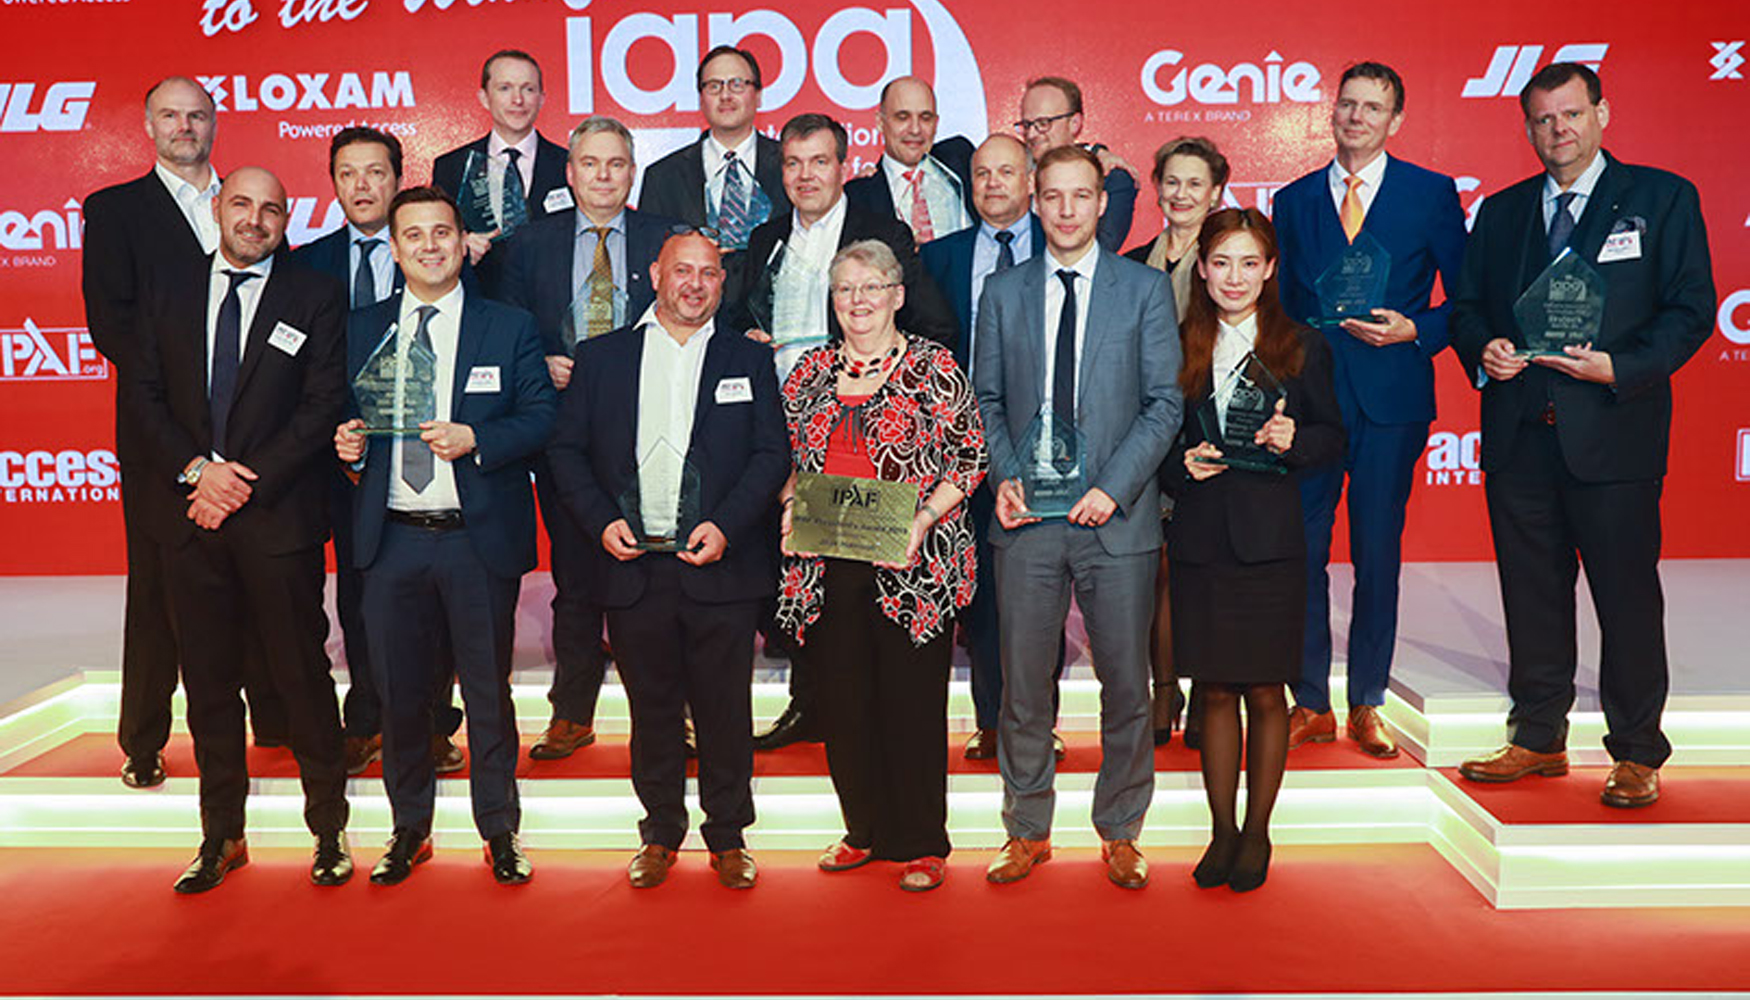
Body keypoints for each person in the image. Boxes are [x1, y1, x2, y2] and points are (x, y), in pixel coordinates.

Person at [1450, 63, 1715, 807]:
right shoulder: (1500, 213)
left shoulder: (1661, 199)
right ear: (1527, 128)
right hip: (1519, 435)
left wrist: (1620, 368)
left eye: (1571, 114)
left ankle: (1636, 750)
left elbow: (1693, 309)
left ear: (1602, 113)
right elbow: (1467, 308)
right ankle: (1537, 736)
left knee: (1626, 598)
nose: (1557, 131)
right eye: (1542, 119)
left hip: (1615, 433)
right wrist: (1486, 349)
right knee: (1531, 594)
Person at [119, 166, 352, 893]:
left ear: (288, 219)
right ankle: (221, 835)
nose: (255, 220)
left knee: (303, 679)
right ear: (219, 208)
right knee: (209, 687)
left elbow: (321, 408)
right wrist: (198, 472)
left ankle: (329, 831)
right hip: (190, 521)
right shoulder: (170, 288)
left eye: (272, 210)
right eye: (242, 205)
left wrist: (239, 480)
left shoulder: (313, 295)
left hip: (276, 520)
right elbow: (143, 396)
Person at [547, 230, 788, 889]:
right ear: (655, 273)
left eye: (710, 273)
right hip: (633, 567)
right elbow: (565, 452)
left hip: (721, 566)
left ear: (723, 281)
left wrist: (728, 527)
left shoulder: (749, 359)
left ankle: (729, 836)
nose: (695, 284)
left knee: (725, 711)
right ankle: (659, 834)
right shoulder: (602, 358)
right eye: (683, 270)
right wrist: (601, 523)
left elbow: (772, 455)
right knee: (651, 711)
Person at [333, 186, 557, 885]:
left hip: (474, 539)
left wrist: (477, 438)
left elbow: (542, 416)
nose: (429, 246)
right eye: (414, 235)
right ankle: (409, 830)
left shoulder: (508, 325)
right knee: (399, 695)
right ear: (393, 248)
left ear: (463, 244)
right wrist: (346, 444)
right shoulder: (359, 327)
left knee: (489, 693)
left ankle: (500, 832)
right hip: (389, 538)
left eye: (442, 233)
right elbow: (337, 418)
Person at [975, 145, 1182, 889]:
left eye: (1080, 196)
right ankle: (1027, 828)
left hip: (1115, 522)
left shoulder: (1145, 289)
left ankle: (1122, 829)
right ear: (1035, 201)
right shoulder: (1002, 291)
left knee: (1128, 685)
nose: (1065, 210)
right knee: (1023, 687)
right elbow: (988, 400)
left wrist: (1116, 488)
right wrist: (1004, 476)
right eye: (1052, 196)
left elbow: (1165, 404)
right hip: (1027, 521)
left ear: (1103, 204)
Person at [726, 112, 957, 751]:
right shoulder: (765, 237)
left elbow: (934, 327)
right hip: (778, 429)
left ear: (843, 164)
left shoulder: (883, 233)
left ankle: (851, 704)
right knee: (799, 575)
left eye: (819, 162)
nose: (805, 176)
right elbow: (740, 316)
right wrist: (747, 341)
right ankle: (812, 700)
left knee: (857, 585)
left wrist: (856, 363)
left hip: (862, 433)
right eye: (793, 164)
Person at [82, 75, 286, 789]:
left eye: (197, 115)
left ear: (215, 122)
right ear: (148, 124)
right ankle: (144, 739)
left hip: (252, 435)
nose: (184, 127)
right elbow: (113, 327)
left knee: (259, 578)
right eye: (170, 115)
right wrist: (189, 440)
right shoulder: (114, 211)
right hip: (159, 438)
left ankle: (274, 719)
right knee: (160, 591)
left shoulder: (250, 201)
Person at [775, 239, 987, 892]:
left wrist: (924, 519)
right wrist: (788, 508)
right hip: (826, 565)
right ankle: (863, 827)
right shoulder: (808, 371)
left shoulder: (933, 366)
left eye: (871, 287)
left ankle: (922, 840)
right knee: (843, 704)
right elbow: (790, 465)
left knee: (911, 705)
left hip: (912, 567)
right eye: (845, 289)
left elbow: (970, 458)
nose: (858, 300)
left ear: (897, 295)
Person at [1273, 62, 1468, 760]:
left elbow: (1466, 298)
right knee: (1303, 550)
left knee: (1377, 553)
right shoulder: (1294, 201)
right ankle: (1310, 701)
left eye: (1373, 107)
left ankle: (1367, 700)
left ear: (1396, 120)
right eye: (1347, 104)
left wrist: (1418, 330)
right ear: (1333, 113)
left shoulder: (1430, 194)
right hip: (1313, 406)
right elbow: (1283, 310)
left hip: (1391, 400)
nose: (1356, 117)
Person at [1167, 208, 1345, 893]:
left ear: (1270, 269)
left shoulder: (1301, 346)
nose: (1234, 277)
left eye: (1249, 263)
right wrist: (1185, 467)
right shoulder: (1179, 342)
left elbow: (1334, 437)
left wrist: (1292, 441)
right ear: (1202, 270)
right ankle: (1220, 833)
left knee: (1268, 694)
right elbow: (1157, 440)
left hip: (1272, 543)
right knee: (1211, 690)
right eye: (1221, 263)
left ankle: (1258, 832)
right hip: (1202, 537)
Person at [497, 115, 678, 761]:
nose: (603, 176)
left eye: (616, 164)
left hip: (653, 431)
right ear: (569, 173)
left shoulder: (666, 240)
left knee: (657, 580)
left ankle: (669, 714)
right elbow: (506, 334)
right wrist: (540, 360)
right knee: (576, 579)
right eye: (591, 164)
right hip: (564, 432)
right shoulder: (528, 245)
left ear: (632, 173)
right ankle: (571, 712)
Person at [290, 126, 468, 778]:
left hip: (430, 458)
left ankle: (434, 722)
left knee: (443, 597)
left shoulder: (442, 252)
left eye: (375, 172)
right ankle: (367, 716)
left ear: (398, 179)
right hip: (341, 459)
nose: (363, 185)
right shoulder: (306, 261)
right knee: (363, 597)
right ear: (333, 183)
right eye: (348, 173)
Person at [920, 133, 1043, 760]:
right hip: (950, 452)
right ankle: (993, 718)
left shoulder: (1064, 250)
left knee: (1035, 592)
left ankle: (1035, 720)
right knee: (979, 595)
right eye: (981, 173)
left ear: (1030, 180)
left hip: (1038, 450)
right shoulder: (938, 258)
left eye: (1005, 172)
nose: (993, 183)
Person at [1124, 135, 1232, 748]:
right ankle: (1162, 690)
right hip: (1146, 434)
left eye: (1196, 183)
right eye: (1172, 181)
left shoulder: (1230, 261)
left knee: (1205, 570)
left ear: (1215, 191)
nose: (1182, 193)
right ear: (1157, 187)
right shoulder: (1135, 261)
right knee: (1151, 570)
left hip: (1210, 431)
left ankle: (1208, 693)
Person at [638, 46, 789, 253]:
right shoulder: (663, 177)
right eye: (714, 86)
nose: (725, 95)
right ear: (701, 98)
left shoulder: (791, 164)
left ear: (758, 95)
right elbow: (650, 255)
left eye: (737, 84)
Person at [431, 49, 569, 271]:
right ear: (484, 98)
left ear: (542, 98)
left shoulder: (569, 164)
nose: (518, 100)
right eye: (505, 88)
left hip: (549, 299)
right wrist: (461, 245)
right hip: (479, 297)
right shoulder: (451, 167)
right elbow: (437, 237)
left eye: (528, 89)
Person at [844, 75, 975, 242]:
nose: (915, 129)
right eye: (902, 117)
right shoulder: (858, 198)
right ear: (880, 122)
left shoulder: (960, 157)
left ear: (936, 123)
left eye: (925, 118)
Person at [1013, 76, 1137, 252]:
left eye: (1043, 123)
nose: (1032, 134)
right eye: (1027, 124)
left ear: (1075, 123)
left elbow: (1100, 251)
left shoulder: (1111, 178)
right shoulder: (1013, 176)